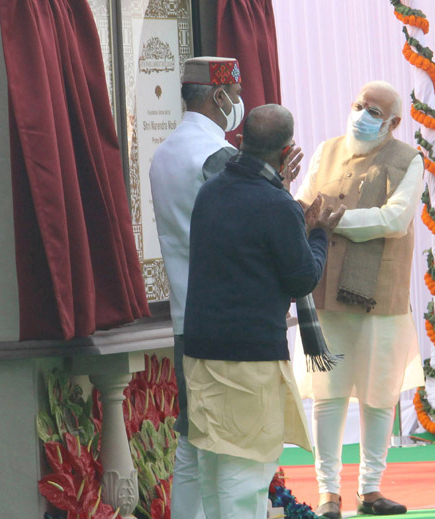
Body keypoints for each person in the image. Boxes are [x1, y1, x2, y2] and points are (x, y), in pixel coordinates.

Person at [181, 104, 344, 519]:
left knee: (214, 472)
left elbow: (249, 250)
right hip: (249, 355)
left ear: (239, 140)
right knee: (245, 478)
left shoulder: (211, 191)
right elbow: (301, 278)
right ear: (287, 150)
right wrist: (321, 233)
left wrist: (296, 223)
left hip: (202, 350)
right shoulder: (276, 205)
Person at [294, 80, 425, 518]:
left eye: (374, 110)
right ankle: (328, 492)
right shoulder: (326, 150)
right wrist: (310, 216)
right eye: (359, 105)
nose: (363, 114)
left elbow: (395, 218)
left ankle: (370, 489)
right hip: (326, 288)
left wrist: (334, 219)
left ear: (393, 123)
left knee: (379, 393)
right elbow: (304, 203)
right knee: (329, 394)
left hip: (379, 296)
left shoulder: (409, 160)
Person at [148, 56, 242, 519]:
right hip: (223, 318)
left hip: (187, 314)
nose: (239, 103)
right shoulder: (216, 155)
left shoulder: (165, 151)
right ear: (219, 95)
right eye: (236, 93)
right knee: (231, 448)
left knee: (191, 443)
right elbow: (244, 231)